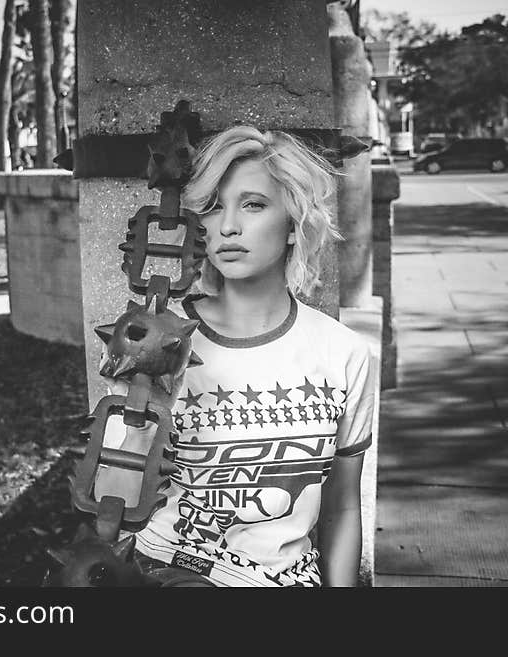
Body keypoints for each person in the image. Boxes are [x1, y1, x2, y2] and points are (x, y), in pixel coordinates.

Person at [94, 125, 376, 587]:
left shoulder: (342, 352)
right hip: (167, 577)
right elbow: (114, 504)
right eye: (212, 207)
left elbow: (343, 504)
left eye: (253, 204)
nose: (227, 226)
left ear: (294, 222)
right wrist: (148, 404)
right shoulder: (155, 340)